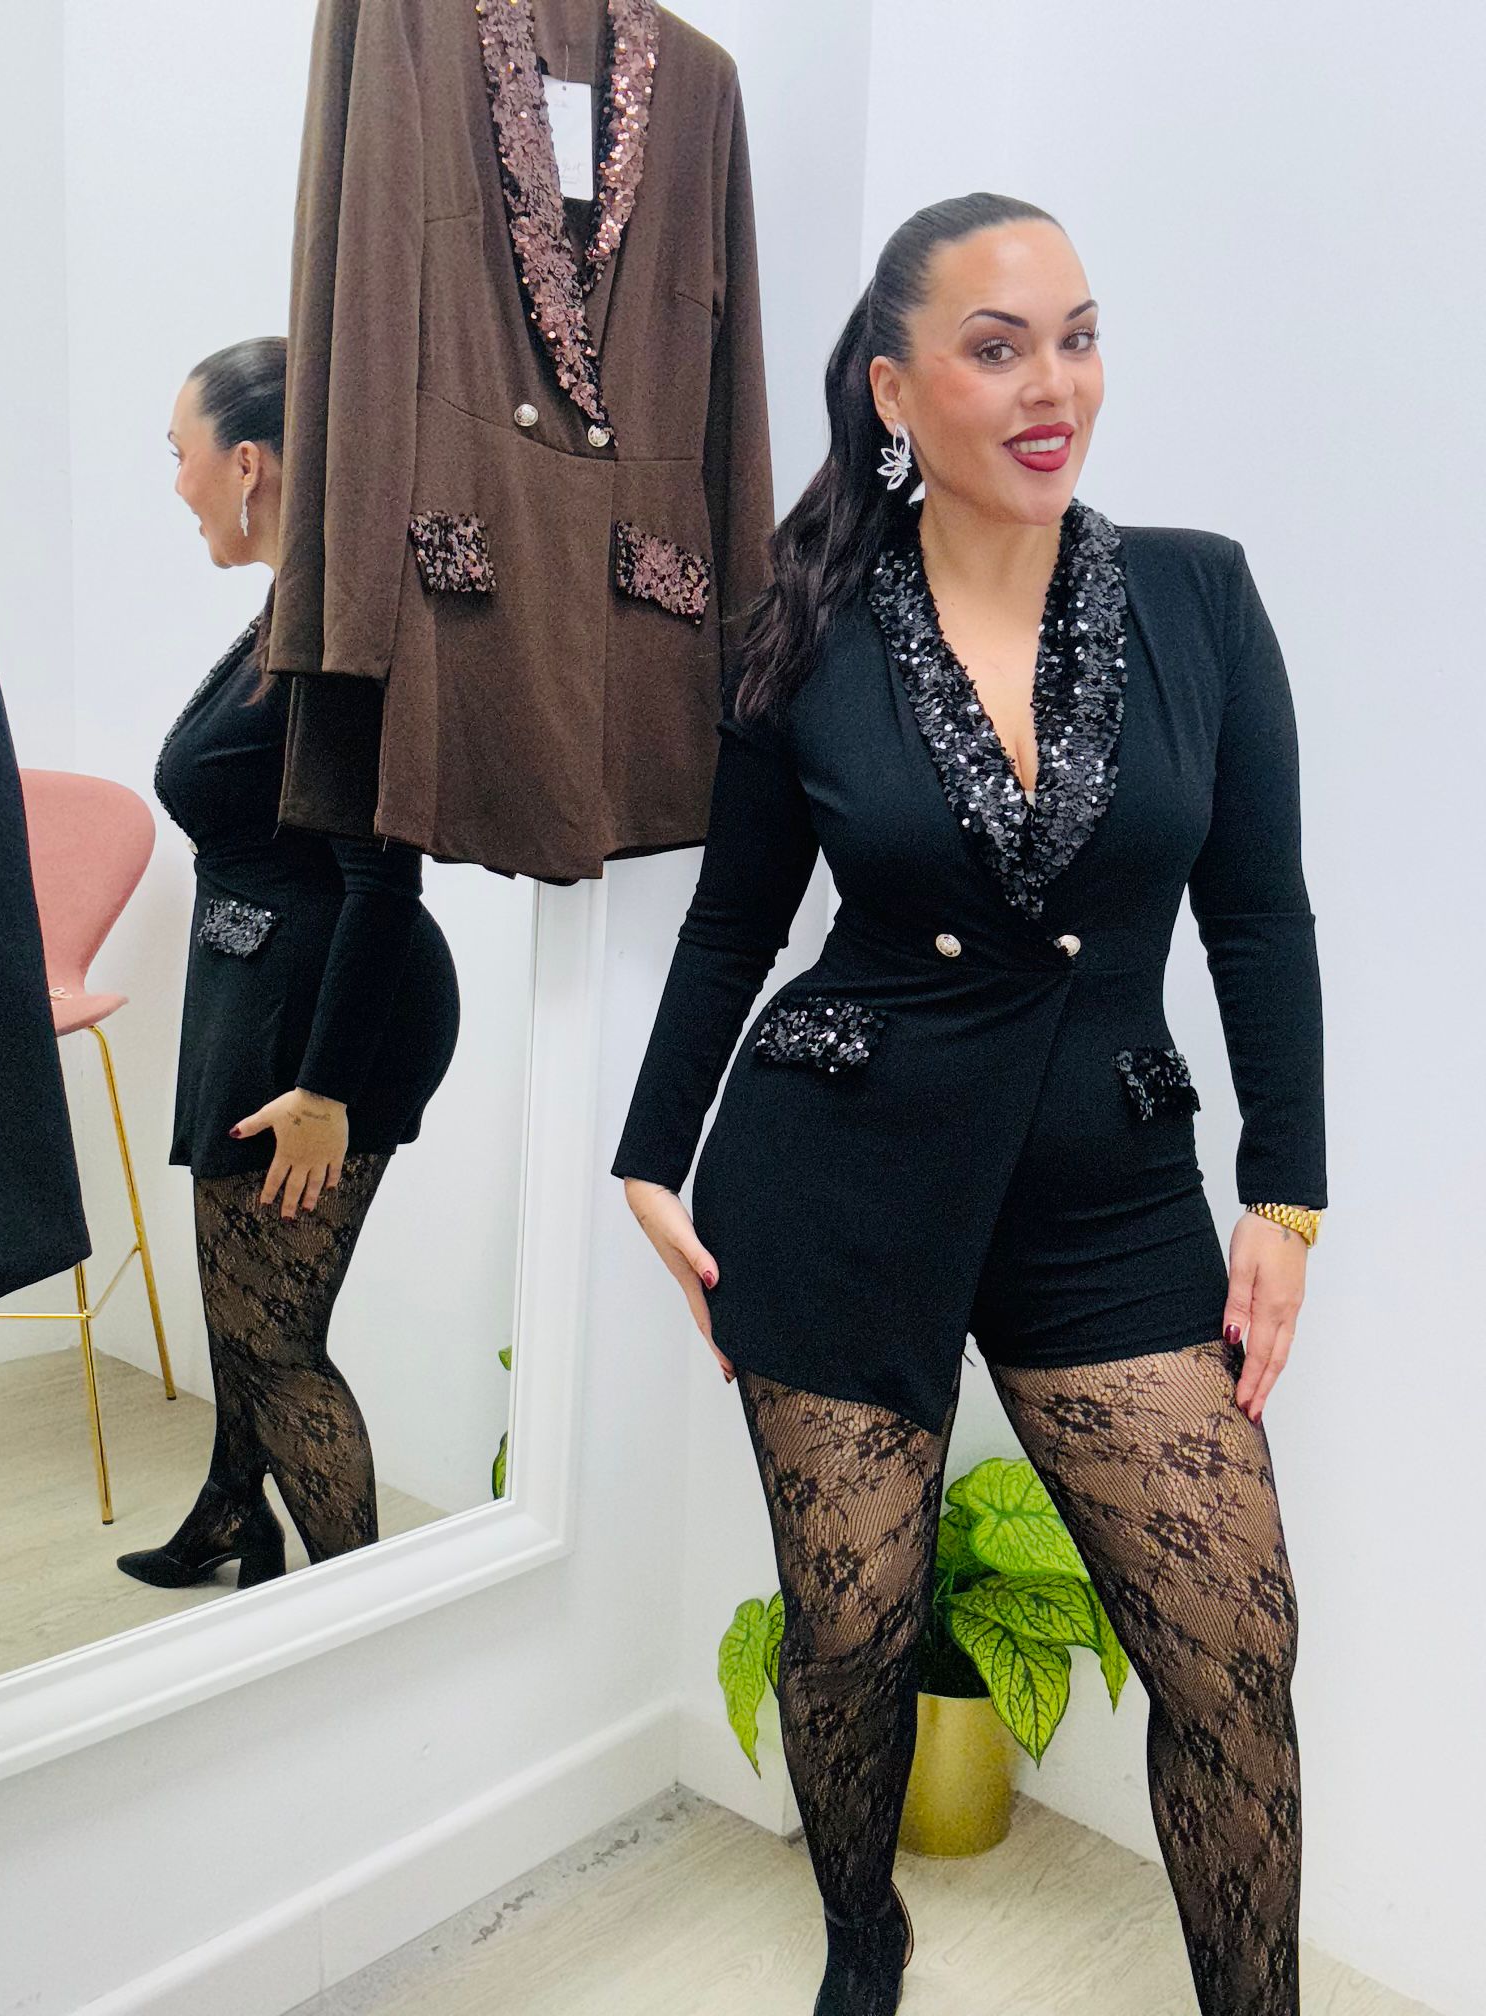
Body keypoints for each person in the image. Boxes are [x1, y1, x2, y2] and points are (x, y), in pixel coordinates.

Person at [611, 195, 1325, 2016]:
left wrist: (1286, 1191)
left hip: (1106, 1189)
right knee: (848, 1633)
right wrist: (650, 1151)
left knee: (1232, 1652)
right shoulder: (806, 627)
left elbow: (1257, 913)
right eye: (997, 348)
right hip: (839, 1171)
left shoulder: (1199, 595)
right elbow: (733, 920)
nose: (1051, 386)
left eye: (1076, 337)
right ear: (893, 388)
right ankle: (864, 1944)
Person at [116, 338, 460, 1591]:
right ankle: (233, 1515)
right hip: (260, 993)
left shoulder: (335, 628)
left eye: (182, 453)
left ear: (248, 462)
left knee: (276, 1341)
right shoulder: (289, 606)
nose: (177, 482)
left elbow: (384, 880)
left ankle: (354, 1617)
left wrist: (325, 1090)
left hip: (325, 1020)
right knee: (241, 1306)